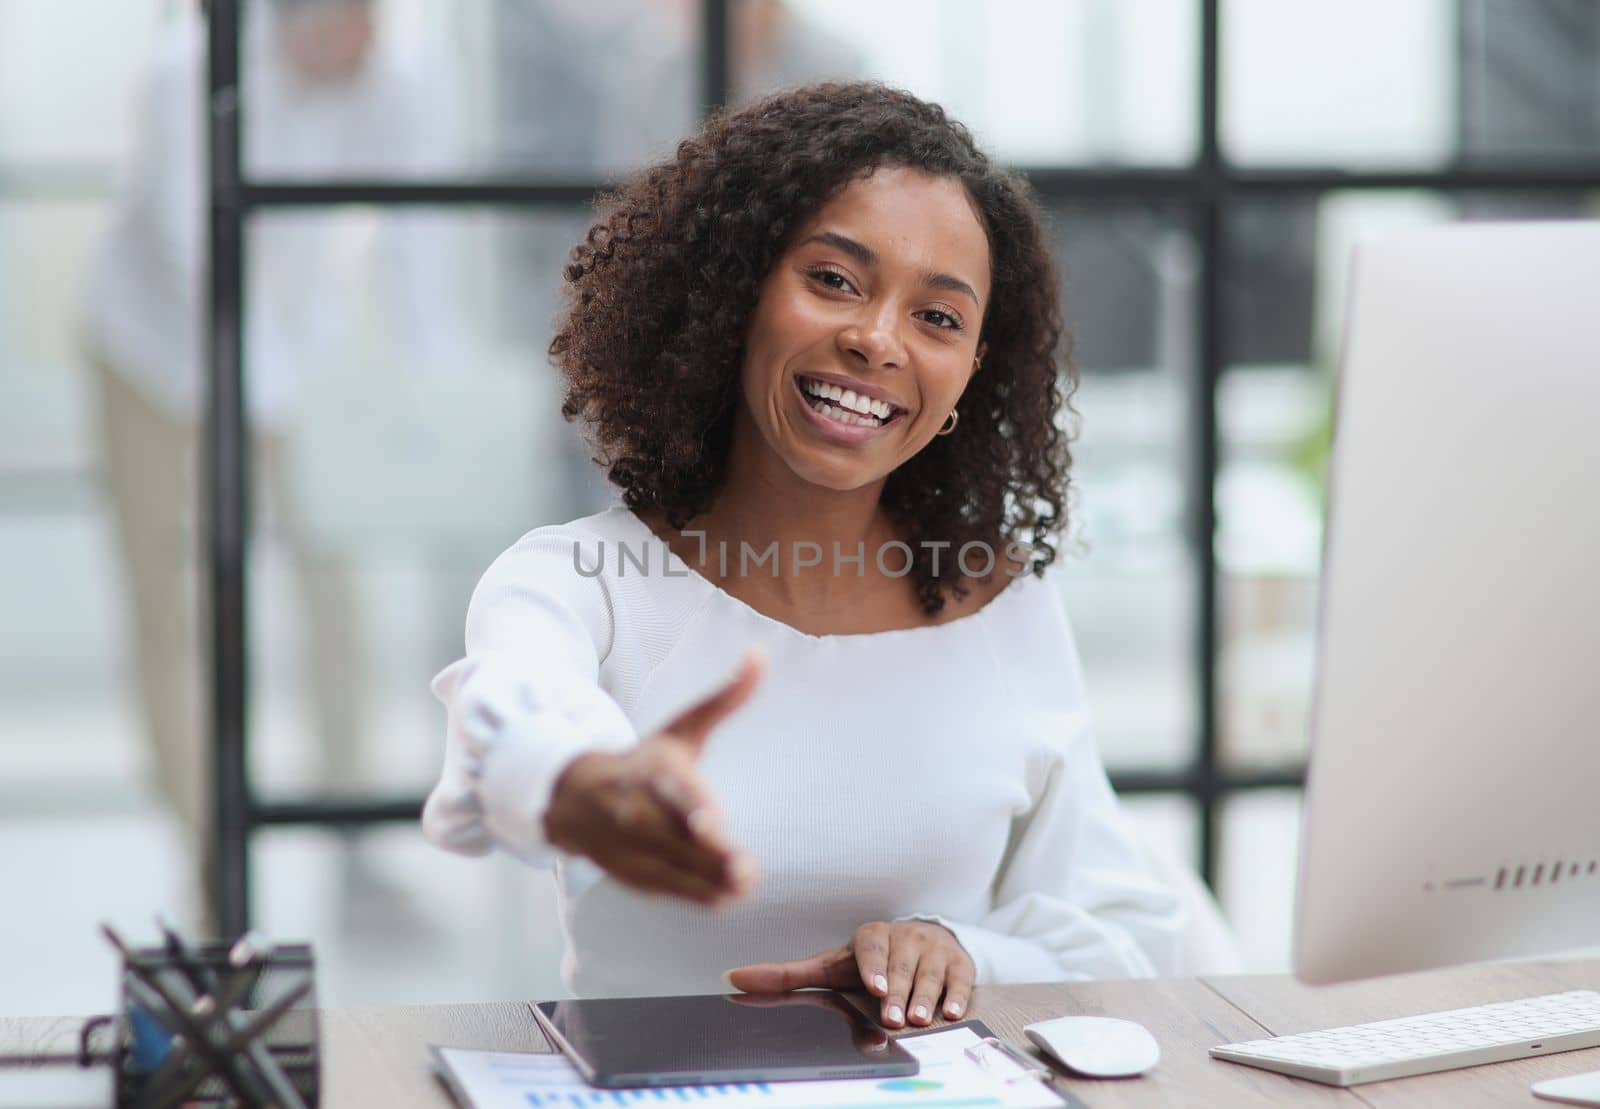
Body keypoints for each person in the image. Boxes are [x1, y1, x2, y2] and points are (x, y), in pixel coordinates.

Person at [422, 82, 1185, 1023]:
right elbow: (510, 725)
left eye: (938, 318)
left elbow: (1129, 926)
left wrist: (956, 950)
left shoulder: (1005, 607)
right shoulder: (581, 582)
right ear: (739, 288)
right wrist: (578, 783)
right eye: (833, 279)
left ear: (970, 375)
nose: (875, 339)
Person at [81, 0, 455, 931]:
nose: (367, 36)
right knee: (172, 610)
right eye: (347, 18)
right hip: (151, 357)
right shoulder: (186, 72)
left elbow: (415, 245)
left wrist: (439, 402)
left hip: (284, 355)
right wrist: (272, 391)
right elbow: (191, 248)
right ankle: (213, 863)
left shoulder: (392, 79)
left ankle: (352, 846)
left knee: (335, 586)